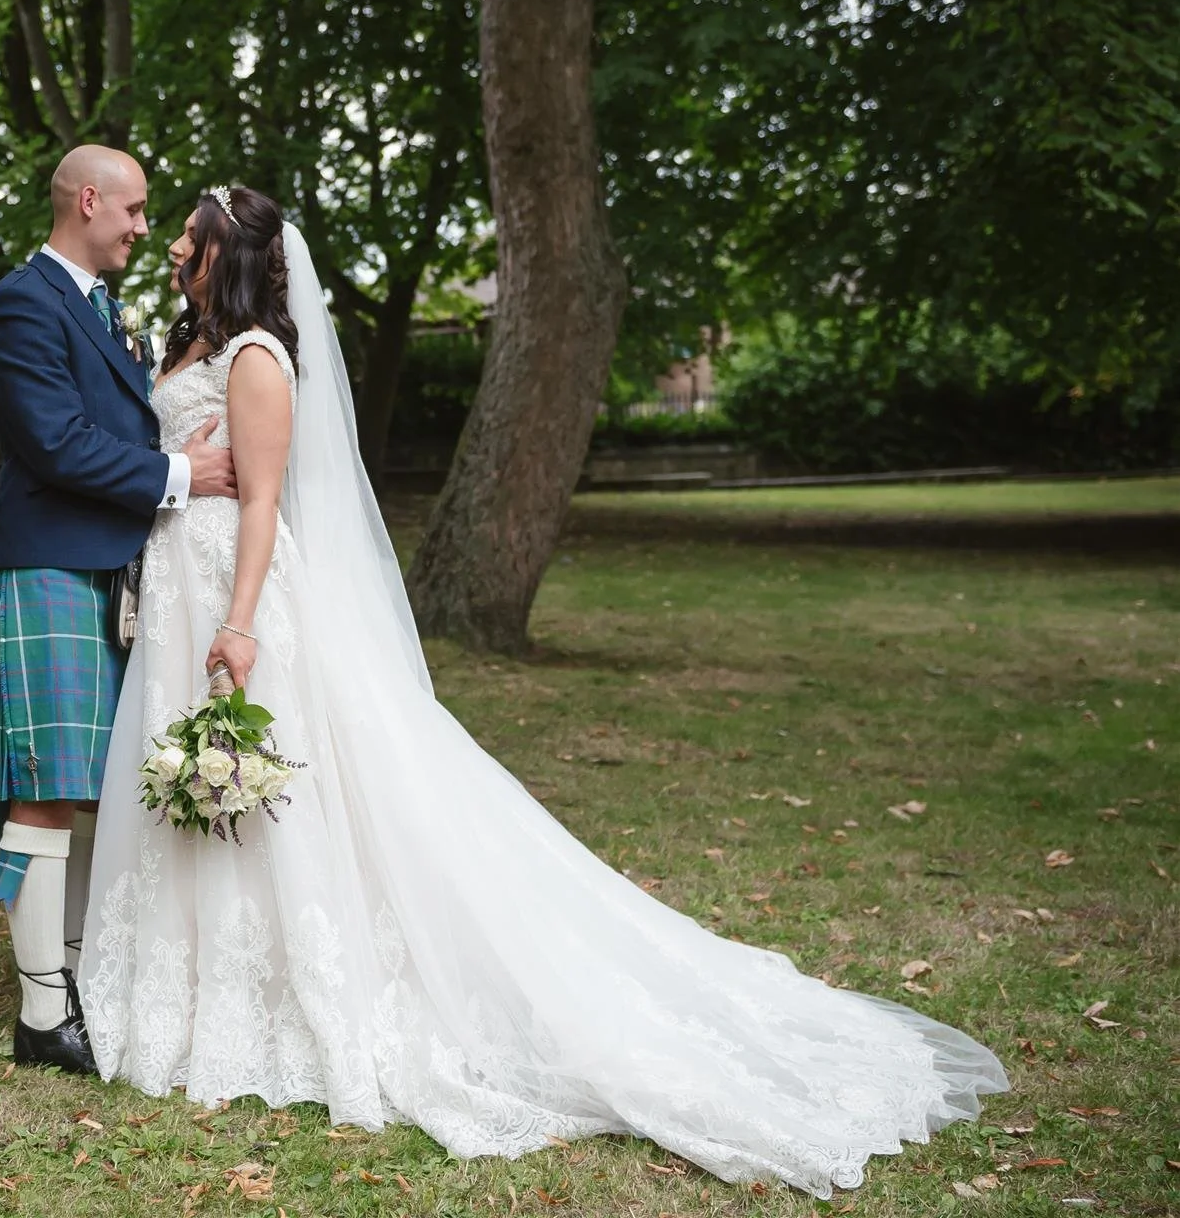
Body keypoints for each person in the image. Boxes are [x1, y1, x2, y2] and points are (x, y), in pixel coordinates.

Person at [76, 184, 1009, 1197]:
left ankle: (281, 990)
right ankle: (195, 979)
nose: (174, 249)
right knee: (200, 783)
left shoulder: (257, 357)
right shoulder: (188, 348)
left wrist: (240, 621)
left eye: (192, 238)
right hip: (174, 587)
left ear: (234, 254)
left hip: (232, 589)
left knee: (272, 790)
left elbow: (262, 501)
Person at [0, 145, 235, 1075]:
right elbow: (55, 443)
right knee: (46, 786)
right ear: (87, 200)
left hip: (104, 572)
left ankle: (76, 986)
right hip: (46, 569)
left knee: (87, 789)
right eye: (135, 209)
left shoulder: (102, 307)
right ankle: (42, 1018)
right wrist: (182, 472)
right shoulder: (24, 301)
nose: (145, 228)